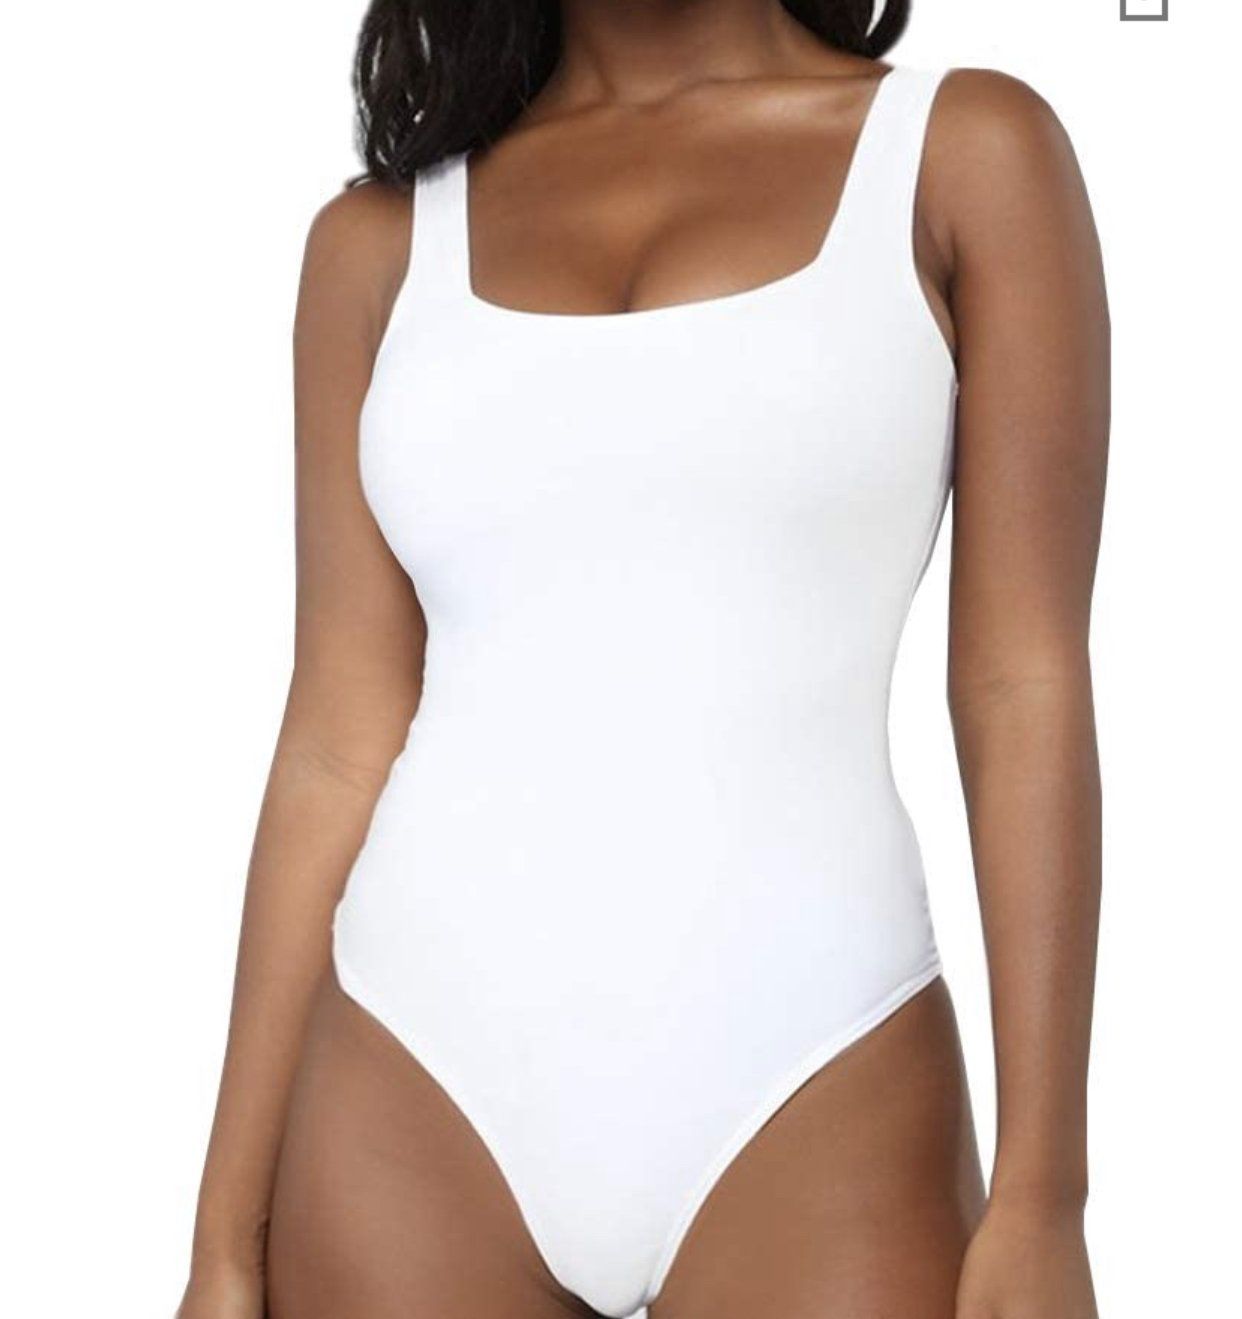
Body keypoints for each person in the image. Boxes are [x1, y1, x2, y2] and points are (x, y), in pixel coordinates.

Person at [178, 2, 1109, 1317]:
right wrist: (223, 1237)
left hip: (819, 1069)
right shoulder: (377, 244)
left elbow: (1021, 684)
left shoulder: (958, 153)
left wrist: (1044, 1190)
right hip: (407, 1077)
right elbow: (337, 735)